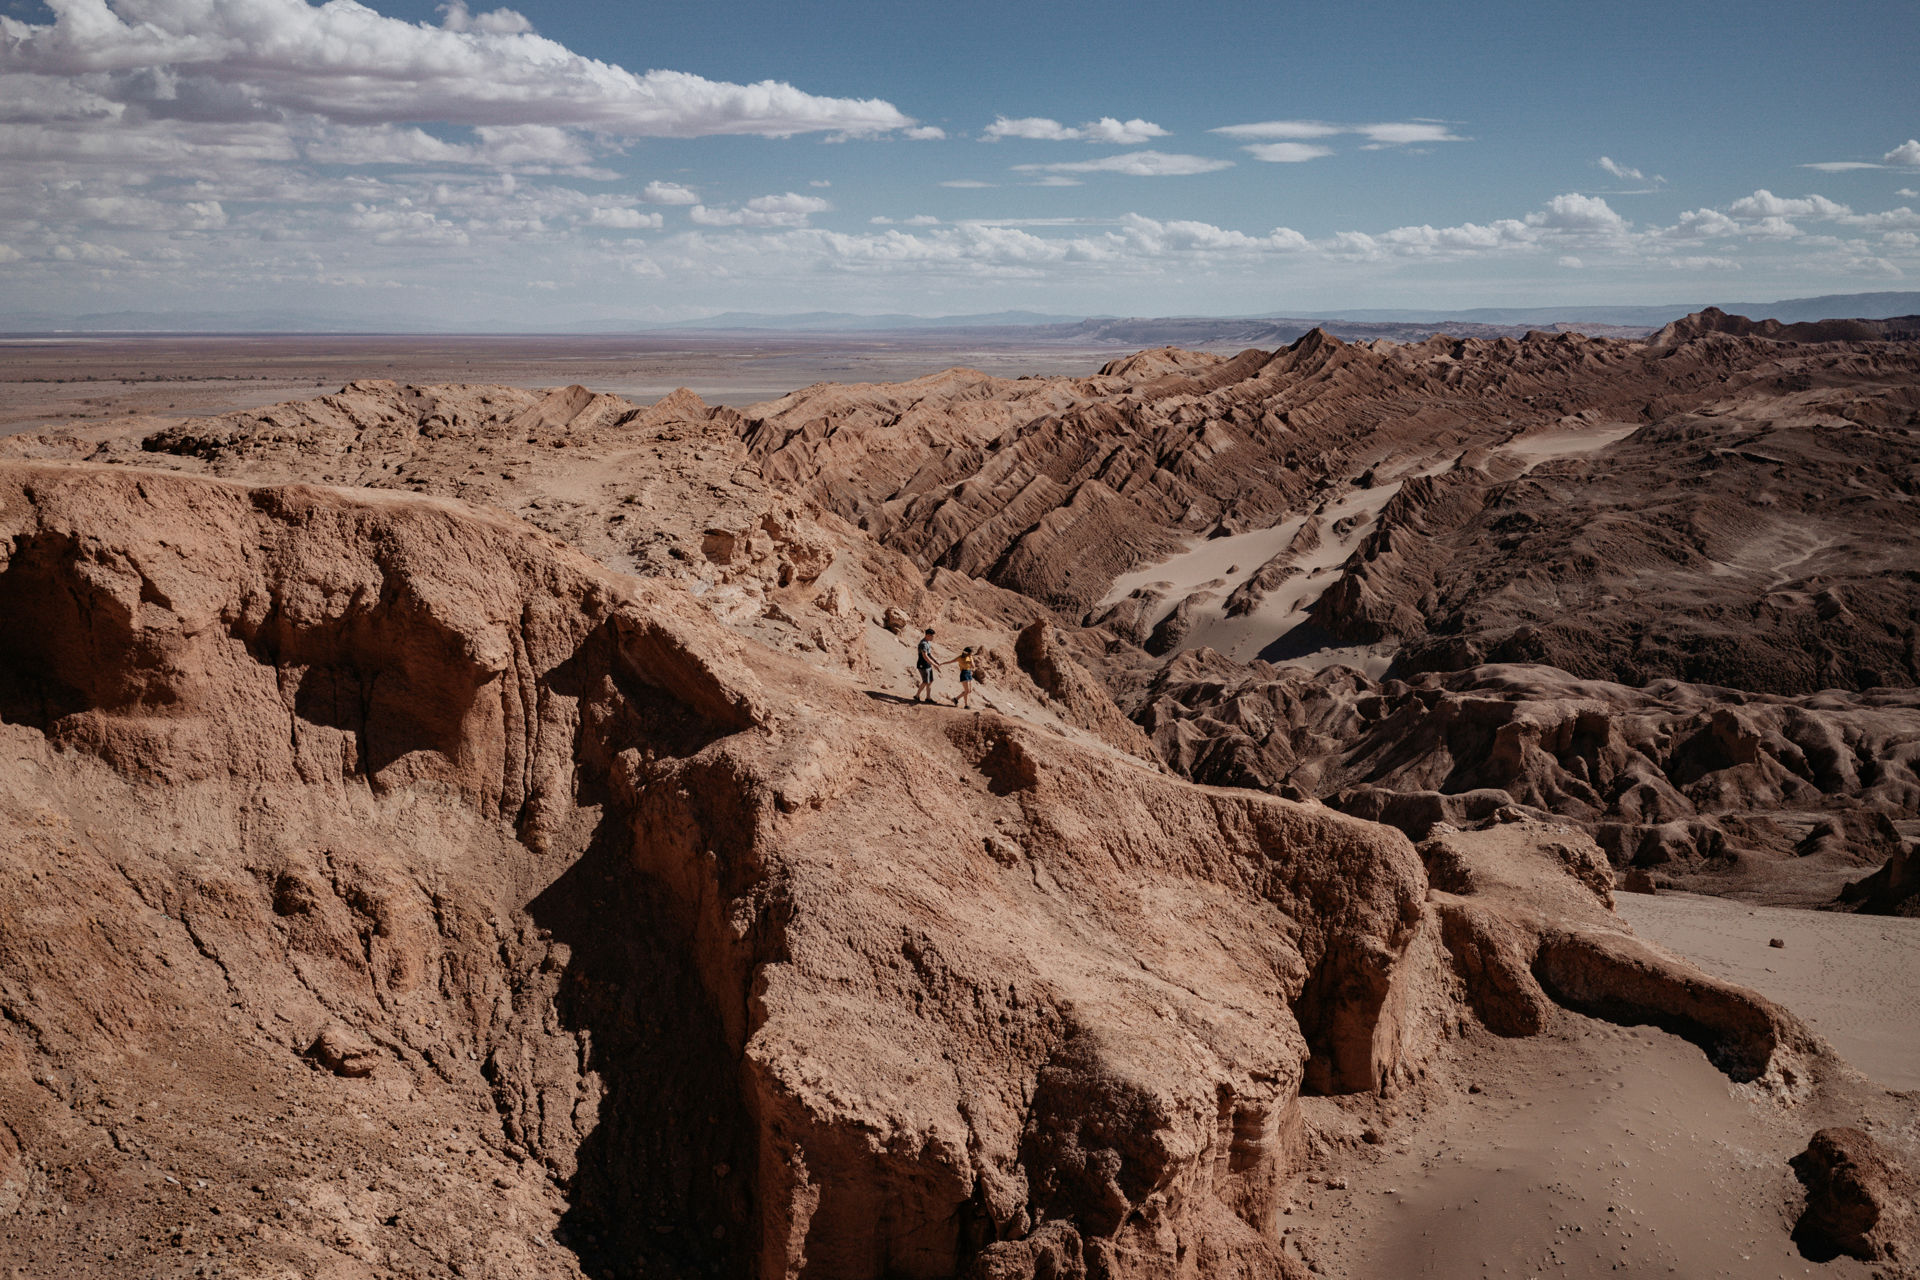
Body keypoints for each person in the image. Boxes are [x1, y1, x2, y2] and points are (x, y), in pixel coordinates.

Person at [914, 628, 941, 703]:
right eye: (932, 636)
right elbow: (925, 656)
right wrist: (934, 664)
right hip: (923, 665)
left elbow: (929, 654)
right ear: (928, 635)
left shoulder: (927, 643)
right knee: (925, 681)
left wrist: (935, 660)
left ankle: (928, 698)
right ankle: (917, 696)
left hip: (927, 664)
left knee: (930, 681)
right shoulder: (923, 644)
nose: (933, 637)